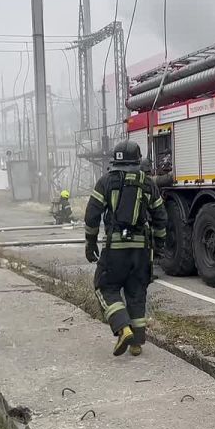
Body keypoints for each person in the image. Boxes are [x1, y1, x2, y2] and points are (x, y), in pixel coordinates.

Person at [84, 140, 167, 357]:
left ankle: (123, 328)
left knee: (104, 286)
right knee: (136, 292)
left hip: (115, 250)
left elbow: (92, 215)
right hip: (141, 251)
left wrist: (90, 242)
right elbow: (161, 217)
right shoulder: (148, 184)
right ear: (138, 161)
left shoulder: (105, 182)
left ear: (115, 160)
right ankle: (137, 343)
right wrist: (160, 244)